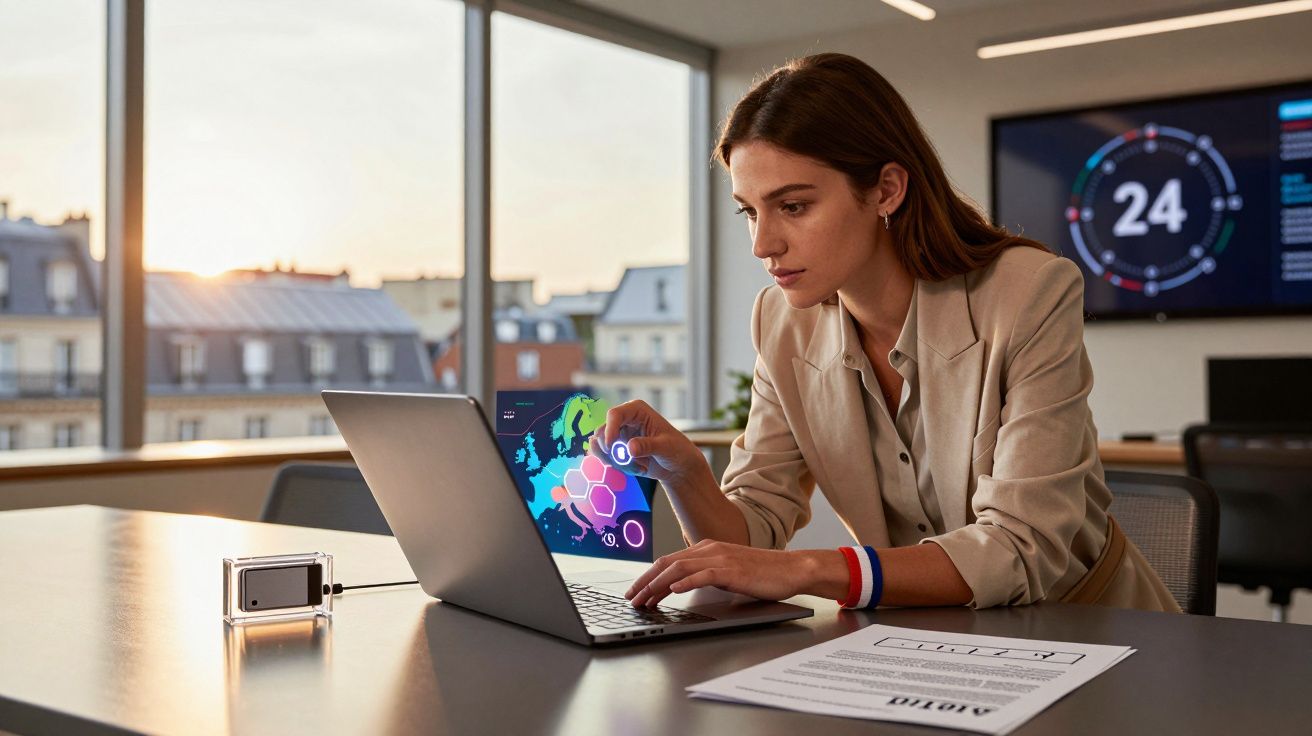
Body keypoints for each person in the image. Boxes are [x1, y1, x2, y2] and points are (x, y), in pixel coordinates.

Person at [590, 52, 1179, 614]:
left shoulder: (1029, 293)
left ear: (886, 190)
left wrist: (813, 571)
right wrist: (688, 473)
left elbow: (1020, 548)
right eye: (749, 211)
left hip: (1092, 632)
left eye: (792, 206)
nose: (762, 244)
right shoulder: (782, 322)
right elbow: (757, 529)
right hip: (929, 644)